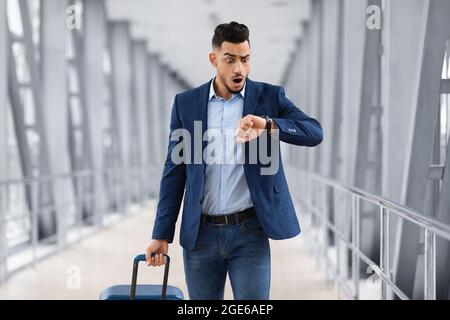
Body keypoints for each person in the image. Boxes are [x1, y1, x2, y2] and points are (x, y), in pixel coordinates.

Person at [145, 21, 323, 300]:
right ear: (214, 59)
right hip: (200, 236)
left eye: (245, 59)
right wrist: (161, 233)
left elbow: (314, 132)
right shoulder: (186, 103)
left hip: (250, 233)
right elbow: (174, 172)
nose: (239, 68)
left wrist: (267, 124)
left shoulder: (268, 97)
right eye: (230, 60)